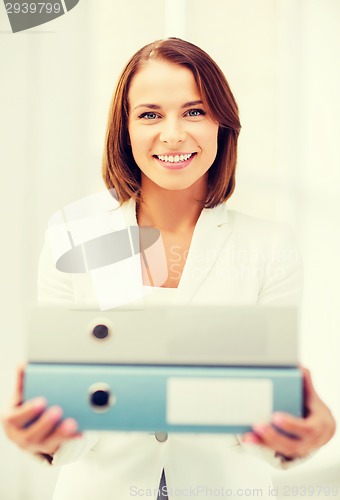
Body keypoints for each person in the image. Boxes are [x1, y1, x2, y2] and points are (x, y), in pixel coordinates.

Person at [2, 38, 336, 500]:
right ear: (125, 129)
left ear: (223, 123)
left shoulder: (269, 246)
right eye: (150, 114)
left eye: (195, 111)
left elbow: (265, 414)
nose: (173, 133)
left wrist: (296, 436)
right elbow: (73, 416)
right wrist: (49, 435)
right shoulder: (71, 238)